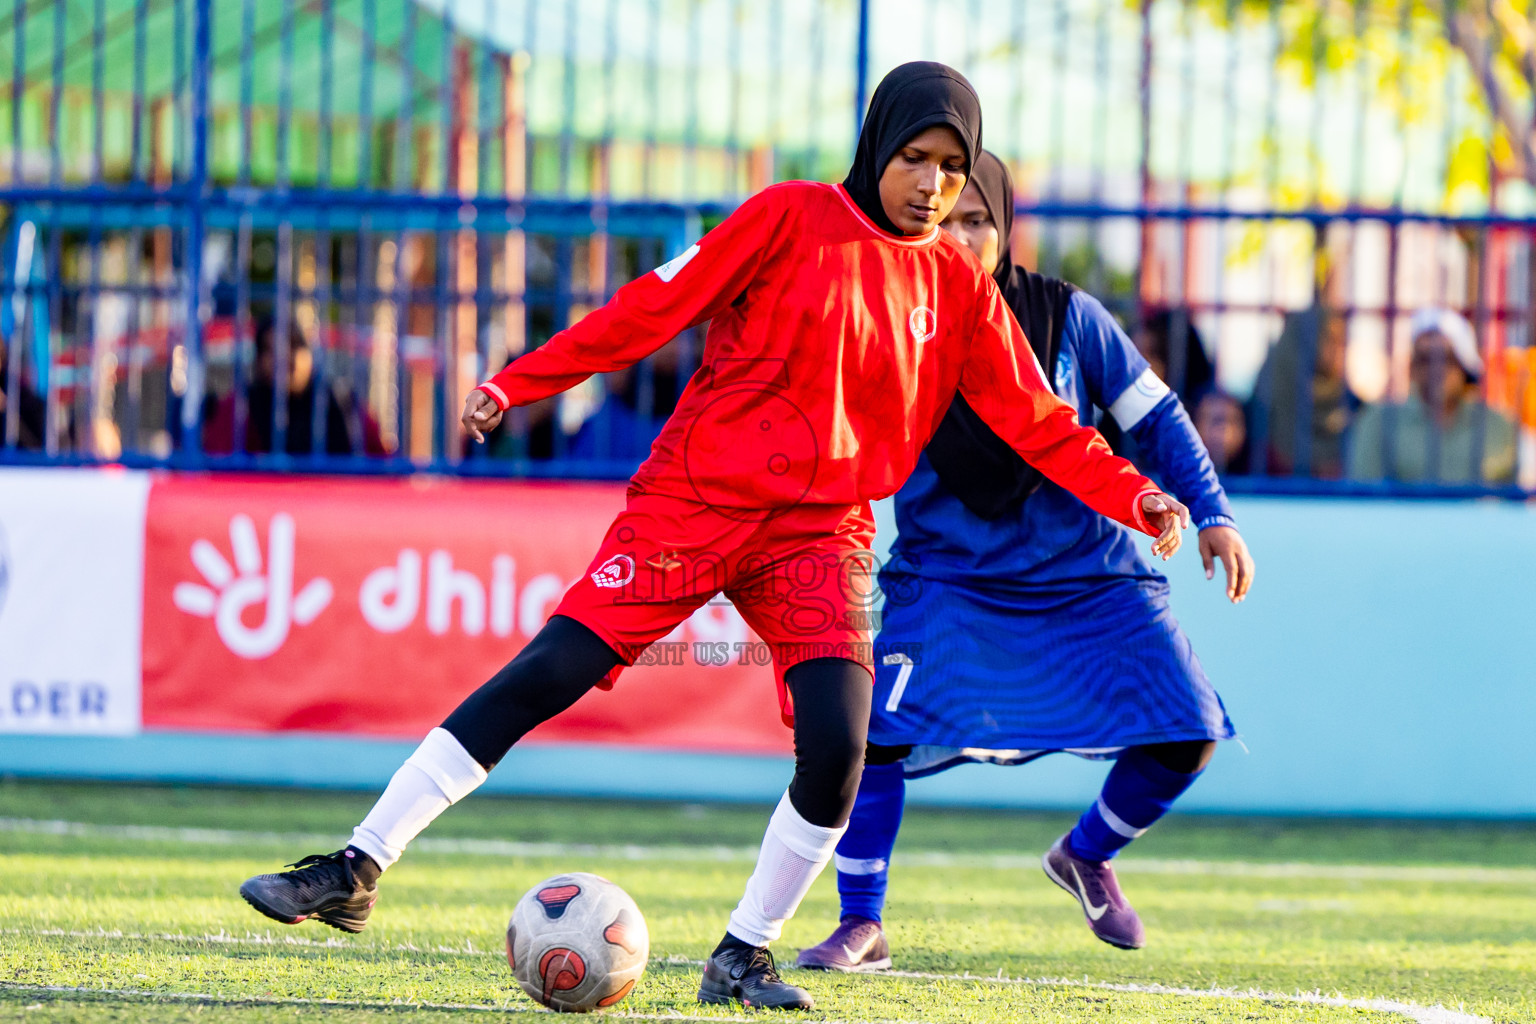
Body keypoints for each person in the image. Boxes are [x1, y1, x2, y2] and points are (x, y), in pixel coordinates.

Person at [237, 64, 1190, 1011]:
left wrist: (1135, 497)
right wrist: (521, 382)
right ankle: (357, 865)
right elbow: (651, 308)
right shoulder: (786, 216)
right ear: (875, 148)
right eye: (915, 158)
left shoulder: (960, 285)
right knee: (550, 670)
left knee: (839, 744)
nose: (934, 185)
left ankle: (742, 954)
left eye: (953, 167)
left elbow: (1039, 420)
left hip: (823, 534)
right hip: (695, 503)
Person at [795, 151, 1254, 971]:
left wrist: (1212, 513)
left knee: (1189, 729)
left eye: (980, 221)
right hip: (948, 578)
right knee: (870, 737)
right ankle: (862, 922)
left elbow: (1156, 419)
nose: (963, 237)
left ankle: (1086, 855)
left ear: (1006, 231)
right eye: (950, 219)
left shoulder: (1069, 316)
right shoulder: (885, 316)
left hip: (1090, 575)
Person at [1346, 308, 1516, 485]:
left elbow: (1513, 498)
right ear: (1412, 367)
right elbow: (1365, 494)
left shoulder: (1498, 425)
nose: (1436, 370)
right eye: (1425, 359)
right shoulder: (1379, 421)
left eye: (1446, 359)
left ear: (1464, 366)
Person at [203, 317, 384, 457]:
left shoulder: (343, 404)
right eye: (270, 350)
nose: (284, 357)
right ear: (258, 361)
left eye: (294, 344)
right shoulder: (239, 409)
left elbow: (384, 468)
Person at [1249, 300, 1357, 478]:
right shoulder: (1269, 402)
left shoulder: (1353, 405)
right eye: (1330, 339)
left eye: (1342, 341)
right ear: (1307, 342)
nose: (1340, 348)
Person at [1194, 388, 1250, 476]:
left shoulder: (1261, 459)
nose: (1225, 430)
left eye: (1232, 421)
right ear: (1196, 425)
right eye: (1216, 421)